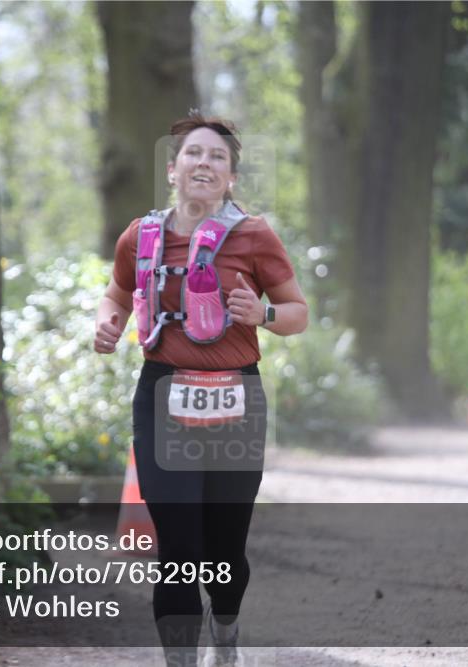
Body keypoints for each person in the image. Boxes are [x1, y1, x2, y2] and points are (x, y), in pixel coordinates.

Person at [94, 113, 308, 666]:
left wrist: (262, 313)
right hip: (163, 395)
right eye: (194, 154)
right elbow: (116, 295)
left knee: (225, 551)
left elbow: (298, 313)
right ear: (173, 169)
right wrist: (109, 323)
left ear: (231, 177)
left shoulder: (254, 235)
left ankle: (227, 627)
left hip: (237, 398)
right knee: (179, 549)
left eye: (217, 157)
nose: (204, 164)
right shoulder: (141, 236)